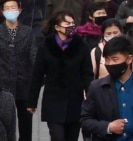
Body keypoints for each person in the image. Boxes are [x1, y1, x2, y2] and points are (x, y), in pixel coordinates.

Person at [27, 9, 94, 141]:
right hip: (53, 100)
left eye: (72, 23)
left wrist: (91, 99)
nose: (71, 26)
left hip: (75, 101)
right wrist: (32, 101)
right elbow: (37, 74)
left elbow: (87, 74)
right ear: (57, 27)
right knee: (57, 137)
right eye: (67, 23)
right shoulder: (46, 45)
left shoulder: (81, 45)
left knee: (72, 137)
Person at [80, 36, 133, 141]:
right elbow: (84, 120)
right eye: (107, 60)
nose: (110, 64)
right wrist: (108, 127)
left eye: (115, 59)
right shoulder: (96, 88)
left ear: (129, 59)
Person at [0, 0, 37, 141]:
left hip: (24, 85)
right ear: (2, 11)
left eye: (13, 8)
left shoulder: (28, 32)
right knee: (5, 124)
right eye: (7, 8)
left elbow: (34, 57)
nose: (10, 11)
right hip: (3, 85)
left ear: (20, 10)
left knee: (26, 125)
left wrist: (35, 84)